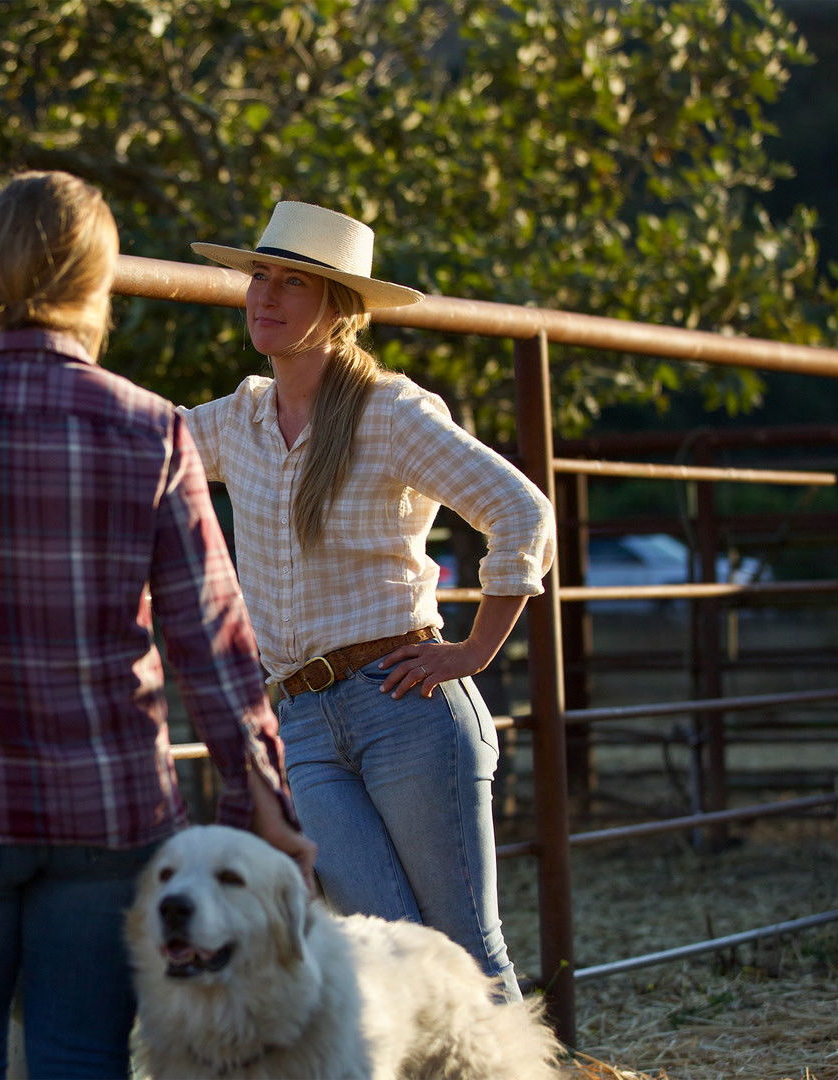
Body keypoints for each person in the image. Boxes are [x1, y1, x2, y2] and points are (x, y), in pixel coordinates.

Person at [0, 171, 315, 1079]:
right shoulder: (152, 431)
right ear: (101, 293)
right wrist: (258, 808)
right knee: (84, 1059)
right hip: (109, 814)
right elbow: (214, 644)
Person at [182, 201, 555, 1000]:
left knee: (463, 950)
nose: (265, 297)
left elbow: (522, 510)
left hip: (405, 703)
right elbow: (142, 442)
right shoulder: (240, 419)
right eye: (259, 278)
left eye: (293, 283)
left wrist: (475, 649)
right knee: (385, 959)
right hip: (303, 721)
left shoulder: (391, 413)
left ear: (340, 307)